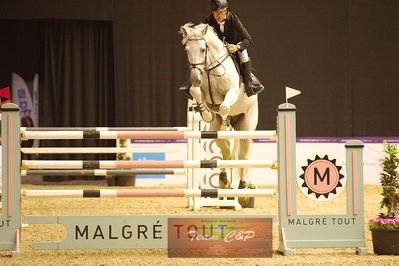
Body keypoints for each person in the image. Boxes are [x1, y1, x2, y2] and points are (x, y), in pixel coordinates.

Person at [205, 0, 263, 97]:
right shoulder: (209, 20)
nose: (218, 16)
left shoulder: (233, 19)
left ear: (226, 11)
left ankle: (249, 84)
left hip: (234, 46)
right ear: (212, 12)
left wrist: (237, 47)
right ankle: (195, 83)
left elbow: (248, 38)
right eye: (215, 13)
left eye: (220, 12)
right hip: (218, 48)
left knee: (244, 54)